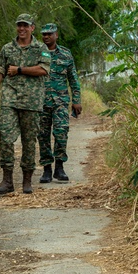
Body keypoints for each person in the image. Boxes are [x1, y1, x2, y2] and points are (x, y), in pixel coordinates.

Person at [0, 13, 51, 194]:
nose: (22, 29)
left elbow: (43, 69)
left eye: (25, 25)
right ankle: (7, 181)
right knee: (6, 137)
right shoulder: (7, 49)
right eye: (19, 25)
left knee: (29, 141)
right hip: (10, 99)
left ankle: (27, 181)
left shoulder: (41, 48)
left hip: (32, 102)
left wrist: (20, 70)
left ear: (32, 28)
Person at [37, 23, 82, 183]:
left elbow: (73, 79)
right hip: (41, 102)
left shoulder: (65, 54)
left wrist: (76, 100)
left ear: (56, 35)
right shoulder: (37, 53)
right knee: (42, 136)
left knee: (61, 133)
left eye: (49, 34)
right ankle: (47, 169)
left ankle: (59, 167)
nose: (46, 36)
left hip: (61, 102)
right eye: (44, 34)